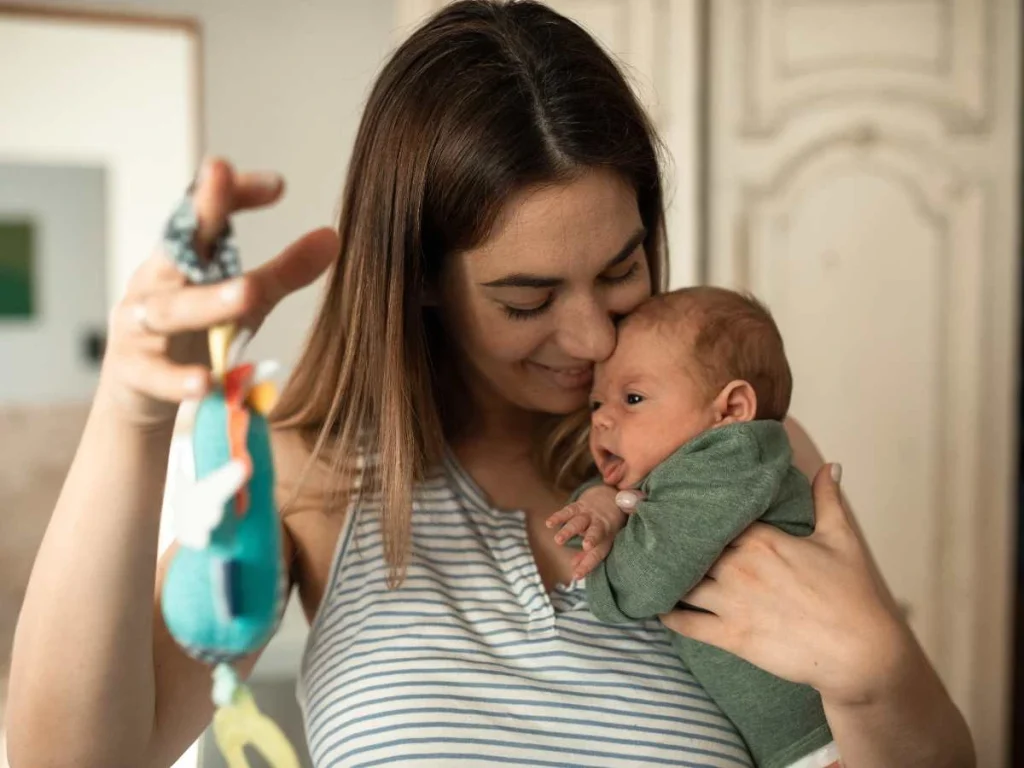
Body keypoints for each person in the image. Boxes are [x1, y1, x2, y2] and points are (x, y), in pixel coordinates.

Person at [5, 2, 974, 767]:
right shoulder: (315, 476)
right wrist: (132, 413)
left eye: (623, 268)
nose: (593, 337)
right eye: (527, 297)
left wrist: (877, 670)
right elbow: (68, 759)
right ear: (418, 280)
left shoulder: (733, 461)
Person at [547, 286, 832, 767]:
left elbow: (640, 584)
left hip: (822, 744)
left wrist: (606, 570)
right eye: (596, 404)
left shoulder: (731, 459)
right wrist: (603, 501)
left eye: (632, 397)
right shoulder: (691, 479)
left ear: (731, 410)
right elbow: (646, 506)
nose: (601, 420)